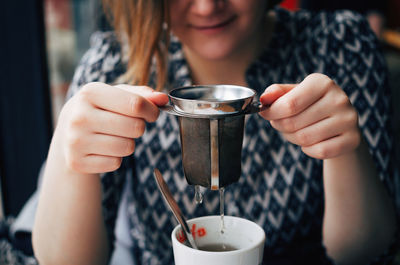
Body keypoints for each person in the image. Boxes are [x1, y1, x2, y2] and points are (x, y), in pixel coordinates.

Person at [28, 0, 398, 264]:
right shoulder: (114, 66)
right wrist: (67, 153)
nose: (207, 6)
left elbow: (363, 252)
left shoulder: (340, 47)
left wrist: (343, 150)